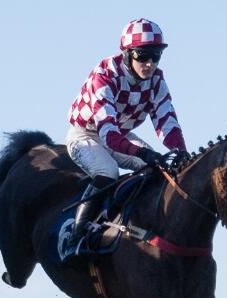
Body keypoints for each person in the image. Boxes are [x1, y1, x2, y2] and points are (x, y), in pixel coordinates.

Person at [61, 18, 186, 254]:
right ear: (128, 54)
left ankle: (132, 224)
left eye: (155, 56)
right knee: (108, 171)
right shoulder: (105, 75)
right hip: (86, 134)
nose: (149, 64)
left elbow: (166, 120)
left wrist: (180, 152)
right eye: (142, 56)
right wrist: (143, 152)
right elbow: (108, 134)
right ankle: (75, 237)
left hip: (120, 134)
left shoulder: (157, 80)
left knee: (160, 171)